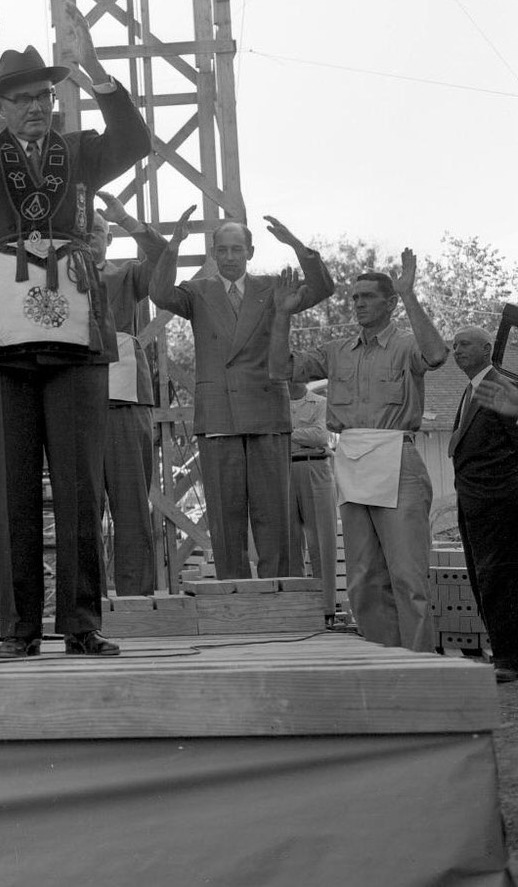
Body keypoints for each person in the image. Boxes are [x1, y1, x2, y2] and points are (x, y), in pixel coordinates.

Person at [0, 0, 151, 659]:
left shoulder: (80, 152)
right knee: (11, 483)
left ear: (57, 98)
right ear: (1, 106)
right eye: (20, 98)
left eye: (44, 96)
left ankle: (81, 625)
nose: (34, 106)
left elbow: (134, 144)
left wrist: (94, 69)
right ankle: (18, 629)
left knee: (81, 481)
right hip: (1, 332)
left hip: (76, 327)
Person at [272, 252, 448, 652]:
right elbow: (280, 369)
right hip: (351, 458)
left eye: (368, 296)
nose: (359, 303)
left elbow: (437, 356)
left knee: (407, 576)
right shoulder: (337, 351)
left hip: (396, 457)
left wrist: (410, 294)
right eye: (354, 297)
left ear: (390, 303)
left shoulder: (405, 346)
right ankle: (382, 660)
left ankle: (418, 665)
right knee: (363, 577)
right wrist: (283, 315)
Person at [149, 214, 334, 580]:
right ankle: (233, 593)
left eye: (237, 249)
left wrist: (297, 245)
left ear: (250, 251)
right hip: (219, 415)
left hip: (266, 410)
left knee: (273, 516)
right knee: (225, 516)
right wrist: (173, 247)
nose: (230, 256)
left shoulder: (272, 287)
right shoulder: (198, 290)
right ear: (213, 253)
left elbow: (323, 287)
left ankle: (278, 592)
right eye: (222, 250)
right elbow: (159, 294)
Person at [93, 193, 174, 596]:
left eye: (99, 232)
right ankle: (83, 602)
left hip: (125, 398)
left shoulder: (125, 275)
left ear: (109, 240)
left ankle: (136, 596)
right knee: (81, 509)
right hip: (73, 401)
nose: (91, 237)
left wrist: (126, 219)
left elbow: (162, 258)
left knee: (130, 506)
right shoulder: (52, 276)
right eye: (84, 231)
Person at [448, 326, 518, 682]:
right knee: (481, 578)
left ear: (488, 348)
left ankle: (508, 658)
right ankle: (504, 652)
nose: (456, 350)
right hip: (472, 503)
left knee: (498, 579)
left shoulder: (500, 387)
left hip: (500, 504)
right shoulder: (470, 388)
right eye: (454, 344)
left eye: (464, 344)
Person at [286, 379, 338, 624]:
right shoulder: (275, 405)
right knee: (289, 542)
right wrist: (298, 436)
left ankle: (326, 609)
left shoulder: (320, 403)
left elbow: (320, 436)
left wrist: (287, 434)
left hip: (315, 467)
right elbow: (269, 435)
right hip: (284, 469)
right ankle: (297, 608)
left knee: (321, 540)